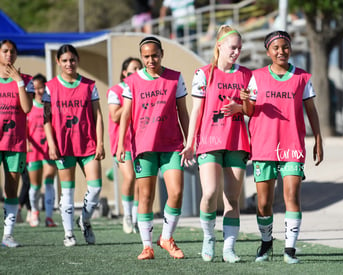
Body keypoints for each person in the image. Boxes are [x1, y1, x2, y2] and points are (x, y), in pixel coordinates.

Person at [240, 30, 324, 264]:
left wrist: (318, 138)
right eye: (275, 48)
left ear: (290, 49)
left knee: (291, 196)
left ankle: (290, 249)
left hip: (292, 146)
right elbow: (249, 112)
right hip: (264, 145)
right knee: (264, 202)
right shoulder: (256, 76)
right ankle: (266, 244)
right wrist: (246, 99)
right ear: (268, 52)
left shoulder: (302, 77)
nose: (281, 51)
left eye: (285, 47)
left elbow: (311, 110)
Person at [180, 25, 251, 263]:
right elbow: (197, 111)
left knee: (232, 197)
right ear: (219, 45)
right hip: (209, 141)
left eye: (239, 48)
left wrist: (240, 108)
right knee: (210, 192)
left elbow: (254, 109)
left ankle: (229, 248)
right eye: (233, 47)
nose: (237, 52)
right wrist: (190, 144)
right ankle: (208, 237)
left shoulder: (246, 75)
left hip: (237, 141)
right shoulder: (203, 74)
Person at [116, 36, 189, 260]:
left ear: (162, 53)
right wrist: (121, 144)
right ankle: (147, 246)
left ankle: (166, 238)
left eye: (154, 55)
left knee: (176, 192)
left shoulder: (175, 78)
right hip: (144, 146)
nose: (151, 60)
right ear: (141, 56)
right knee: (146, 196)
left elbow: (183, 112)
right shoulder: (132, 83)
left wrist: (190, 142)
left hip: (172, 145)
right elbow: (125, 115)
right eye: (146, 56)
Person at [43, 44, 105, 247]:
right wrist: (52, 145)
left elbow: (97, 115)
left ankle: (84, 220)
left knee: (95, 188)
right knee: (67, 192)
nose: (69, 64)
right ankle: (69, 233)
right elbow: (46, 119)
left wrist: (100, 142)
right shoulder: (50, 87)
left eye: (72, 60)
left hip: (88, 144)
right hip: (63, 146)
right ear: (58, 62)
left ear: (77, 60)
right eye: (65, 60)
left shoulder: (89, 85)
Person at [0, 39, 34, 247]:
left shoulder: (26, 80)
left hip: (14, 142)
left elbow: (28, 108)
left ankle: (8, 235)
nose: (9, 55)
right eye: (5, 51)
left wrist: (19, 81)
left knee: (12, 188)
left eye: (12, 52)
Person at [107, 57, 142, 234]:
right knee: (129, 177)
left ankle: (135, 218)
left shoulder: (144, 88)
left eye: (139, 69)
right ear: (124, 72)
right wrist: (131, 99)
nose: (136, 72)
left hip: (140, 141)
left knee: (139, 181)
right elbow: (114, 116)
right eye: (133, 69)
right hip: (122, 143)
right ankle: (126, 216)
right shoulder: (116, 90)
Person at [26, 73, 58, 228]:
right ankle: (34, 211)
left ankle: (50, 217)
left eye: (41, 87)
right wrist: (26, 143)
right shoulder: (28, 106)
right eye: (36, 88)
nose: (39, 91)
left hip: (49, 149)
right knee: (35, 185)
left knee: (49, 180)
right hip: (33, 150)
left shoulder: (50, 104)